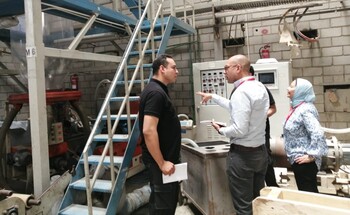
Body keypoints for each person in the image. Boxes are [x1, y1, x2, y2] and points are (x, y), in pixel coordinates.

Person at [197, 54, 269, 215]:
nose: (224, 72)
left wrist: (221, 129)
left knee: (243, 207)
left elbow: (239, 130)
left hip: (243, 157)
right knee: (257, 202)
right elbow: (236, 107)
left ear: (238, 68)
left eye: (226, 68)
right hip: (260, 153)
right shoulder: (258, 86)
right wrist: (213, 97)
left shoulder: (241, 92)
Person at [138, 54, 181, 214]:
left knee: (164, 204)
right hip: (160, 164)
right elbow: (148, 130)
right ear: (162, 69)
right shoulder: (156, 93)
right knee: (163, 207)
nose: (177, 71)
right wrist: (162, 163)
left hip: (165, 162)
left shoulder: (158, 90)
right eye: (174, 67)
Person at [283, 78, 328, 193]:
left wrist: (312, 155)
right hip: (298, 161)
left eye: (292, 87)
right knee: (307, 194)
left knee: (309, 196)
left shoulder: (305, 110)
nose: (288, 88)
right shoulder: (297, 107)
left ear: (300, 91)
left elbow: (317, 132)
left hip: (305, 163)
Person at [249, 66, 279, 187]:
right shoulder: (237, 90)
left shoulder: (261, 89)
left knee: (265, 158)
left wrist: (259, 118)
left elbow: (273, 108)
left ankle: (273, 187)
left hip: (261, 131)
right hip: (245, 135)